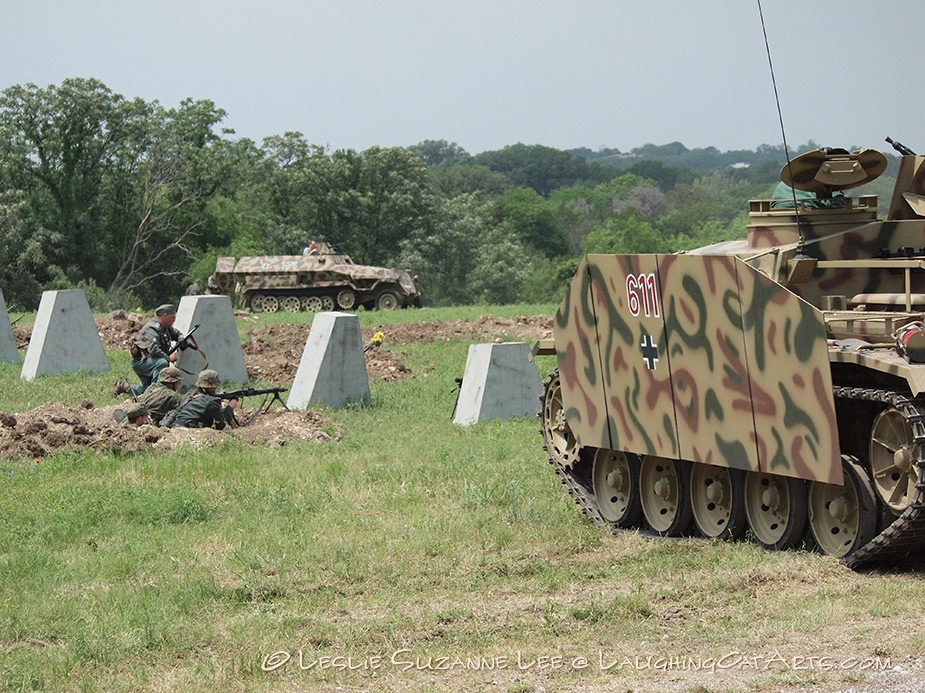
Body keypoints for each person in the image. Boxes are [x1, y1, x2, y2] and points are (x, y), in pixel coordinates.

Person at [113, 304, 190, 398]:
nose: (174, 320)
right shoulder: (152, 328)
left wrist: (182, 341)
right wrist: (169, 358)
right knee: (162, 363)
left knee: (147, 389)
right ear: (165, 316)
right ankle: (155, 394)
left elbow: (177, 334)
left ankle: (124, 387)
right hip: (141, 362)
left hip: (151, 362)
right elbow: (153, 350)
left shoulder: (166, 328)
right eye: (172, 317)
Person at [171, 369, 238, 430]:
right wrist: (230, 407)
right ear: (212, 385)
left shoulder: (190, 394)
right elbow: (222, 424)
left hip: (175, 427)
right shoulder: (212, 401)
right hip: (189, 430)